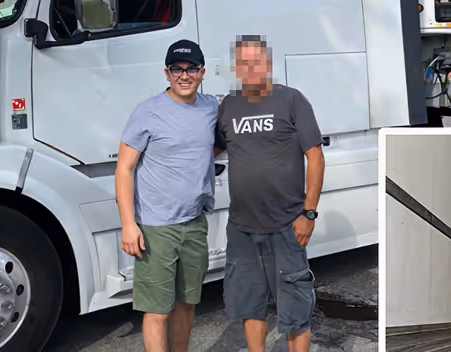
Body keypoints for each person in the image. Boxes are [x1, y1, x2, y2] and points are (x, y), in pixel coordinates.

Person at [214, 35, 326, 352]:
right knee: (251, 307)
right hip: (242, 229)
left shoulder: (292, 100)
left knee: (295, 311)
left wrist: (309, 213)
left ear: (268, 64)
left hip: (287, 226)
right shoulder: (229, 107)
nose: (250, 69)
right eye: (244, 63)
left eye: (256, 62)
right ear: (237, 67)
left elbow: (315, 157)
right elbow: (211, 149)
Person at [114, 39, 218, 352]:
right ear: (166, 73)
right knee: (157, 310)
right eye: (177, 69)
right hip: (156, 228)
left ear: (202, 72)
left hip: (195, 223)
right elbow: (123, 169)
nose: (183, 75)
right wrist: (128, 224)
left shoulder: (211, 107)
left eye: (190, 69)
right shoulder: (148, 112)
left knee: (187, 305)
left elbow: (214, 144)